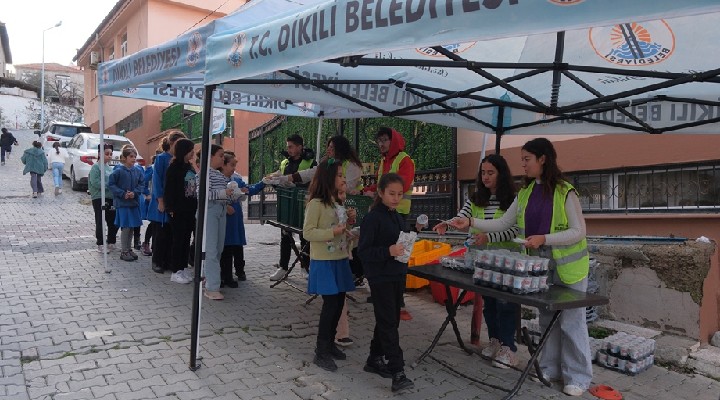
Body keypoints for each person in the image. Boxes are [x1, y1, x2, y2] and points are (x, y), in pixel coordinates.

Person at [449, 138, 592, 397]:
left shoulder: (565, 191)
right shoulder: (525, 193)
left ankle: (578, 376)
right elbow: (503, 222)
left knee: (571, 321)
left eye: (527, 159)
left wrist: (544, 239)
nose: (522, 164)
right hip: (540, 267)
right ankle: (548, 368)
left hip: (569, 268)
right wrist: (469, 221)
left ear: (543, 159)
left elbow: (578, 231)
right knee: (547, 318)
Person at [434, 154, 520, 368]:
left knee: (506, 304)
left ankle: (509, 348)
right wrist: (448, 223)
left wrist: (489, 237)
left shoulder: (513, 199)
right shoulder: (475, 198)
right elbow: (462, 217)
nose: (486, 177)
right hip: (482, 262)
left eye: (491, 173)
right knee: (489, 304)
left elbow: (514, 229)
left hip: (506, 264)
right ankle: (495, 340)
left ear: (502, 174)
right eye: (483, 172)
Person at [358, 173, 414, 393]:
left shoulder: (398, 217)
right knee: (389, 323)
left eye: (399, 194)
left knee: (389, 320)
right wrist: (388, 251)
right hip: (380, 276)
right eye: (391, 193)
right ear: (380, 193)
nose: (396, 198)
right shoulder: (372, 218)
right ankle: (398, 373)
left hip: (397, 274)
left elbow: (402, 241)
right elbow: (364, 252)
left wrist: (407, 245)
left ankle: (374, 358)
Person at [303, 158, 356, 372]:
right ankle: (320, 350)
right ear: (328, 178)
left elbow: (339, 227)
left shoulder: (338, 201)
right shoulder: (315, 203)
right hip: (324, 261)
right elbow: (307, 232)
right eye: (340, 175)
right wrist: (331, 232)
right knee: (330, 304)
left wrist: (348, 224)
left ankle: (330, 343)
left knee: (339, 301)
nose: (343, 179)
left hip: (340, 259)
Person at [363, 127, 416, 321]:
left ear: (393, 141)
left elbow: (403, 183)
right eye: (379, 141)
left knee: (399, 255)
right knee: (386, 251)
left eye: (385, 140)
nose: (381, 144)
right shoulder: (383, 161)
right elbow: (381, 184)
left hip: (399, 213)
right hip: (385, 211)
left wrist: (381, 193)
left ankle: (398, 299)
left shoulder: (404, 160)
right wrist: (368, 190)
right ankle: (382, 292)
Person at [269, 134, 317, 281]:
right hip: (287, 203)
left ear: (299, 147)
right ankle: (283, 267)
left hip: (304, 203)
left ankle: (305, 267)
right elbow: (279, 178)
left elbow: (314, 182)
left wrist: (295, 184)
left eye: (291, 146)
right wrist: (274, 181)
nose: (288, 149)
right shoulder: (284, 163)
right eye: (288, 146)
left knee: (304, 236)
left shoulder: (311, 163)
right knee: (285, 235)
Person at [220, 151, 264, 286]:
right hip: (224, 219)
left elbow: (249, 189)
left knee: (232, 247)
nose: (234, 169)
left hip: (234, 218)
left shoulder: (236, 180)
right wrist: (225, 206)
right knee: (223, 249)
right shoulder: (217, 180)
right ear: (223, 165)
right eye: (232, 165)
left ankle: (230, 276)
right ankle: (223, 277)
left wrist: (263, 183)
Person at [148, 130, 187, 273]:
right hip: (162, 201)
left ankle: (169, 261)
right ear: (171, 143)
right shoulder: (162, 158)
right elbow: (157, 180)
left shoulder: (180, 160)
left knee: (171, 233)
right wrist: (160, 200)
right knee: (160, 233)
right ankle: (157, 261)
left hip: (174, 202)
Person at [202, 144, 236, 301]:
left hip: (221, 211)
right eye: (221, 155)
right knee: (211, 250)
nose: (223, 158)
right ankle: (212, 287)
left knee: (218, 248)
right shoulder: (204, 174)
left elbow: (225, 195)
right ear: (210, 157)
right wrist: (224, 193)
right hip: (210, 212)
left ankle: (209, 278)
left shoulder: (220, 175)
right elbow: (202, 194)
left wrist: (235, 195)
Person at [163, 139, 197, 284]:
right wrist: (170, 208)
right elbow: (169, 190)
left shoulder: (189, 167)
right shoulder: (174, 168)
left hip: (190, 210)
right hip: (178, 211)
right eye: (191, 150)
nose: (193, 153)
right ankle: (176, 270)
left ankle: (183, 268)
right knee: (178, 241)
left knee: (186, 240)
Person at [108, 147, 144, 262]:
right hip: (123, 203)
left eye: (135, 156)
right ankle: (124, 250)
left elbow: (141, 184)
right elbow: (111, 184)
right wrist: (122, 193)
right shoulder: (118, 171)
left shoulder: (137, 170)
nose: (133, 159)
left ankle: (129, 248)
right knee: (126, 227)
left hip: (133, 203)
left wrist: (135, 193)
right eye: (131, 157)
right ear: (124, 158)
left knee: (132, 226)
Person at [89, 144, 118, 253]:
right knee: (100, 221)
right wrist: (109, 185)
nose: (109, 156)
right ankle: (100, 243)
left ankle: (111, 241)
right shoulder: (96, 167)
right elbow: (95, 182)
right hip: (99, 197)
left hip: (110, 197)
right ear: (100, 154)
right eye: (107, 154)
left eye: (111, 154)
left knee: (112, 221)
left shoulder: (109, 168)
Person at [140, 154, 157, 256]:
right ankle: (146, 243)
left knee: (157, 224)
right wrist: (147, 194)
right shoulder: (152, 169)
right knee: (154, 223)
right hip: (153, 200)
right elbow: (143, 182)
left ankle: (154, 245)